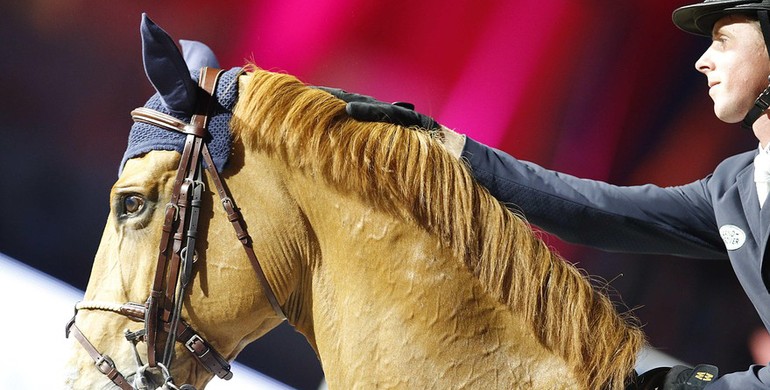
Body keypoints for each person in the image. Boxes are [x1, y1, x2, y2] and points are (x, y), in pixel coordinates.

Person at [323, 0, 770, 388]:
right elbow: (593, 209)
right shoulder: (735, 183)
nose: (703, 60)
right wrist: (444, 144)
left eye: (724, 40)